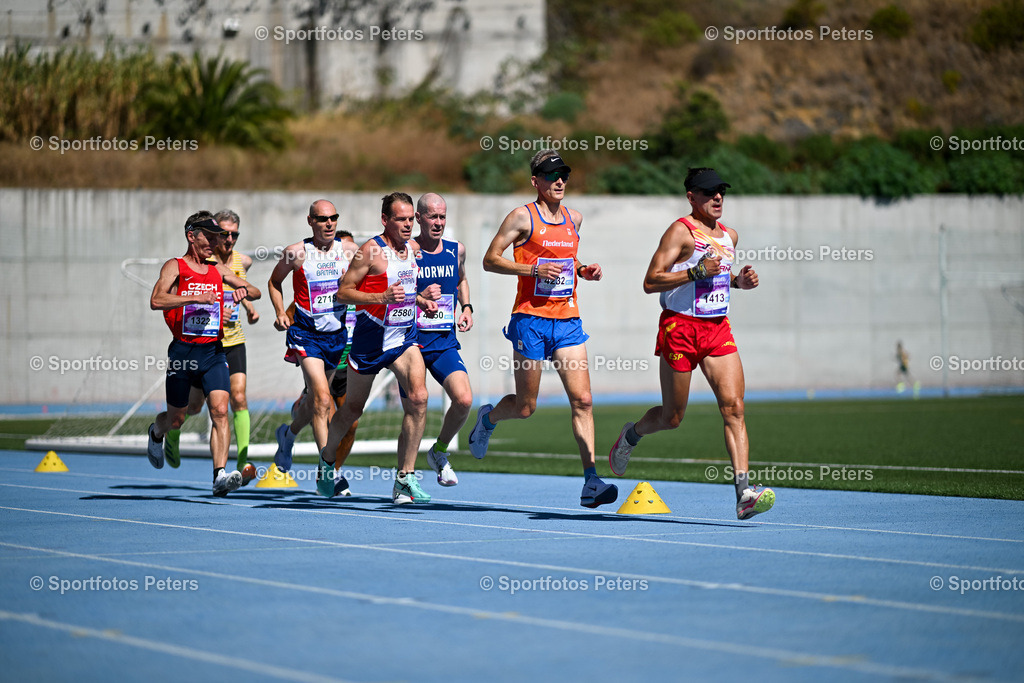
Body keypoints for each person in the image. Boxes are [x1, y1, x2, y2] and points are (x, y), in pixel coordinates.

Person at [606, 167, 775, 520]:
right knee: (672, 417)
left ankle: (744, 492)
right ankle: (631, 435)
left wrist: (737, 283)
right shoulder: (681, 232)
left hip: (716, 330)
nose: (717, 198)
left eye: (721, 192)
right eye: (709, 192)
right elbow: (651, 281)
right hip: (679, 329)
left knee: (734, 408)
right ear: (691, 197)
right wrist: (697, 271)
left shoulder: (730, 236)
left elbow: (718, 279)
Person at [469, 150, 618, 509]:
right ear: (536, 181)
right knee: (525, 407)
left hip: (567, 320)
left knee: (583, 400)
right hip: (530, 320)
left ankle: (591, 482)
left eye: (563, 174)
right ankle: (487, 419)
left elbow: (568, 259)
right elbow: (490, 260)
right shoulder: (522, 216)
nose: (560, 181)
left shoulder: (574, 218)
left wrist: (583, 271)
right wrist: (533, 271)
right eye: (551, 176)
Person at [318, 192, 435, 504]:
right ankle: (327, 461)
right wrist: (380, 299)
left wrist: (423, 300)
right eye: (401, 219)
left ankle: (404, 479)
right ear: (386, 220)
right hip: (370, 342)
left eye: (411, 219)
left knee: (419, 398)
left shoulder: (413, 249)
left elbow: (407, 291)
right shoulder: (370, 251)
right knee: (352, 410)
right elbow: (343, 293)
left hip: (403, 339)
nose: (408, 225)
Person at [146, 211, 261, 496]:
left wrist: (241, 292)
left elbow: (255, 291)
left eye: (216, 237)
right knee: (178, 418)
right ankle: (156, 433)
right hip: (183, 353)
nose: (214, 242)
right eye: (208, 237)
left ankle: (219, 475)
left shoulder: (217, 269)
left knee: (221, 411)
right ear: (191, 236)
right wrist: (194, 297)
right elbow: (156, 300)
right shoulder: (176, 267)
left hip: (213, 352)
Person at [267, 200, 357, 471]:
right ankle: (327, 468)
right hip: (305, 335)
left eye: (333, 218)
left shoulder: (351, 251)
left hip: (336, 337)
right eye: (322, 219)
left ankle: (288, 435)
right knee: (322, 399)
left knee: (313, 402)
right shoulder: (296, 253)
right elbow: (274, 282)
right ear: (310, 221)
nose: (329, 223)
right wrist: (281, 311)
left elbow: (378, 271)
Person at [406, 192, 474, 487]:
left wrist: (467, 307)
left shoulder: (456, 249)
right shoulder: (407, 250)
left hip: (444, 340)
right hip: (410, 343)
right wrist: (420, 297)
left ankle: (439, 452)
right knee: (416, 407)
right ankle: (404, 478)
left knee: (463, 400)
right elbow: (391, 288)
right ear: (418, 218)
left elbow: (461, 279)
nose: (438, 222)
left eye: (442, 217)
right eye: (432, 217)